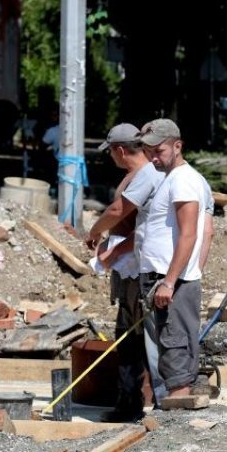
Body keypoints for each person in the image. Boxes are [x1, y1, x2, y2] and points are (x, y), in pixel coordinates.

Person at [85, 123, 166, 422]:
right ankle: (129, 402)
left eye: (112, 153)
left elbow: (142, 225)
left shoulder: (146, 177)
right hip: (129, 271)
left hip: (140, 270)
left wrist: (101, 238)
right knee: (127, 336)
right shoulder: (138, 176)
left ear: (120, 150)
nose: (111, 158)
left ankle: (157, 402)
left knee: (143, 337)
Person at [138, 118, 214, 399]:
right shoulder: (173, 179)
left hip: (171, 282)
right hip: (172, 279)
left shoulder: (183, 180)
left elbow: (189, 235)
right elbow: (204, 233)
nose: (153, 157)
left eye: (159, 150)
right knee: (172, 350)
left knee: (175, 351)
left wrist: (170, 282)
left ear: (177, 146)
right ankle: (175, 413)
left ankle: (177, 417)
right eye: (149, 151)